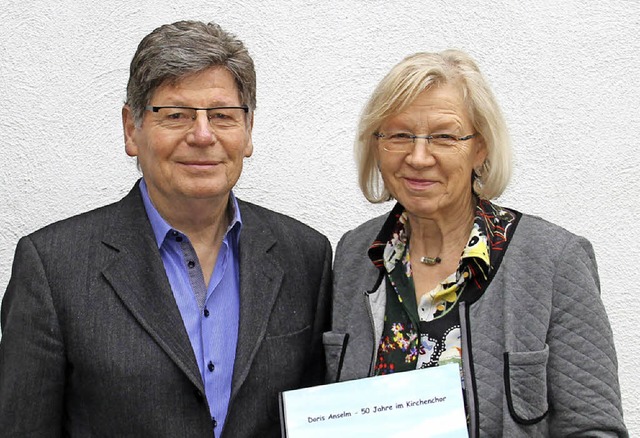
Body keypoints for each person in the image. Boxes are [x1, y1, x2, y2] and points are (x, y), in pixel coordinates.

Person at [0, 20, 331, 437]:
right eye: (176, 115)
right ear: (131, 129)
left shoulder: (306, 255)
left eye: (223, 116)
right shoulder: (53, 266)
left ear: (248, 131)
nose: (203, 134)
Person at [324, 49, 627, 436]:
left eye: (444, 137)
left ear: (479, 147)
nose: (418, 157)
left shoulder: (552, 261)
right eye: (399, 135)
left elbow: (594, 428)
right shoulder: (355, 255)